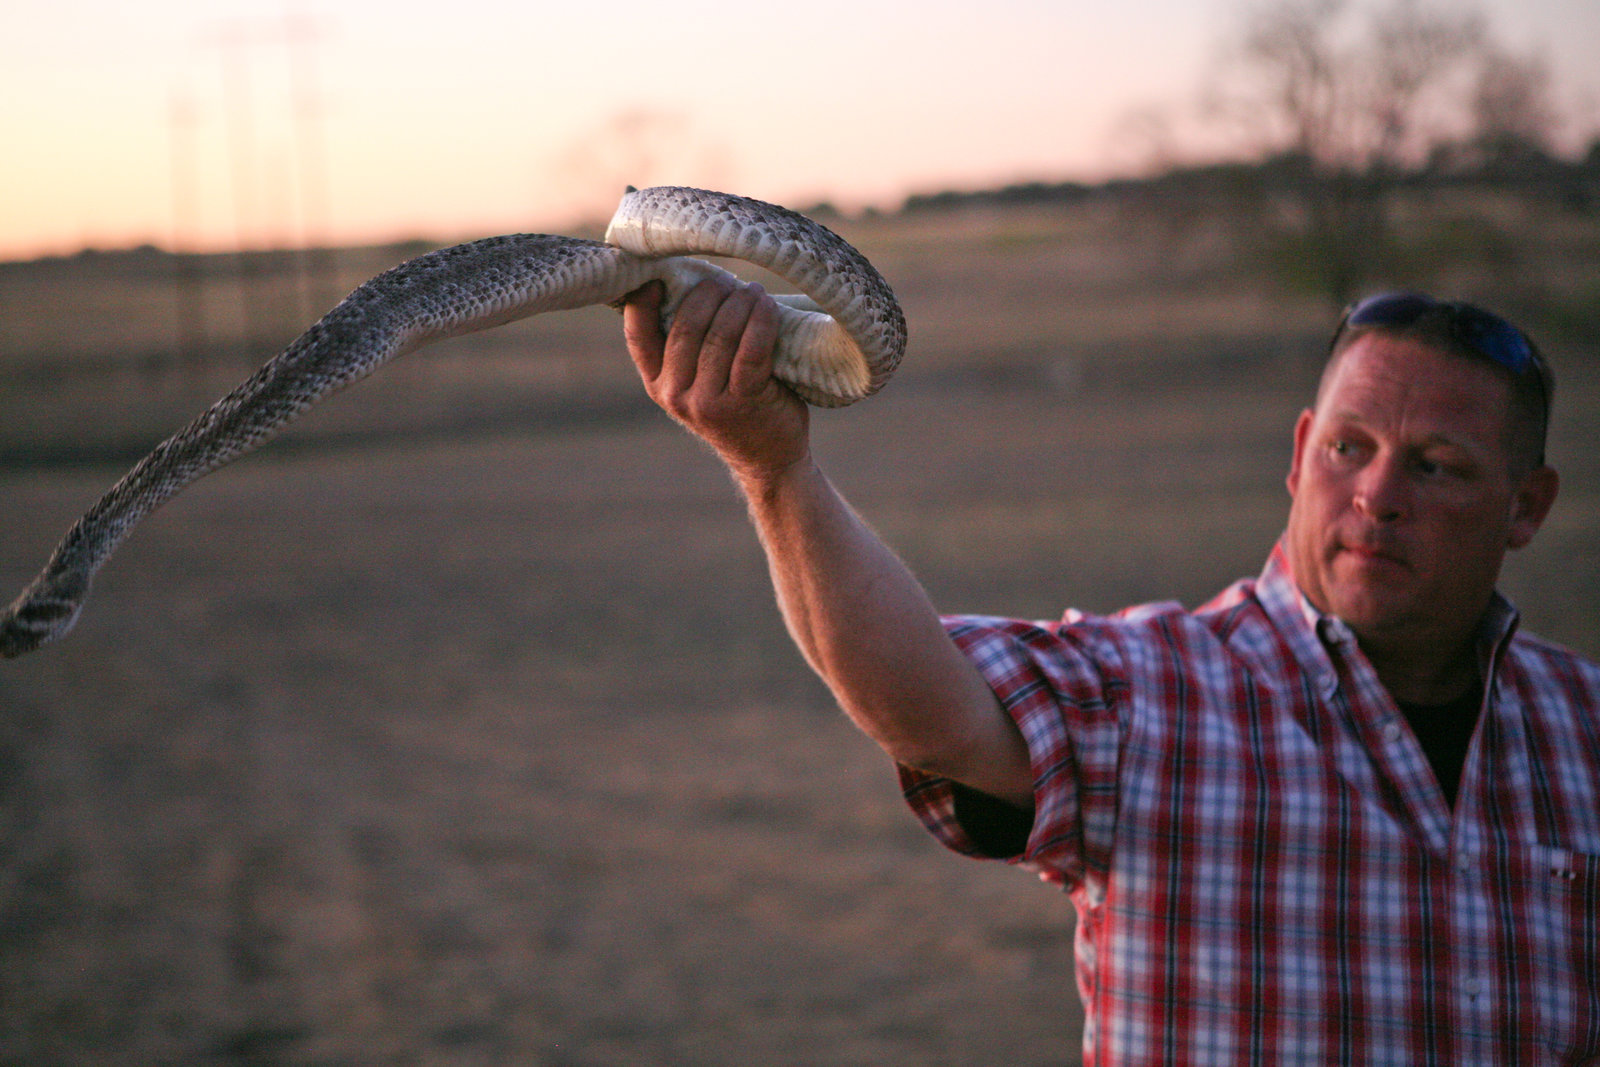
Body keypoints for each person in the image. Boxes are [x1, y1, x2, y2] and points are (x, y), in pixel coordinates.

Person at [621, 276, 1599, 1066]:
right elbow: (928, 705)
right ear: (1302, 453)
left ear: (1527, 506)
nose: (1377, 494)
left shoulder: (1584, 729)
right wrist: (775, 469)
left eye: (1437, 465)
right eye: (1351, 447)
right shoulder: (1151, 691)